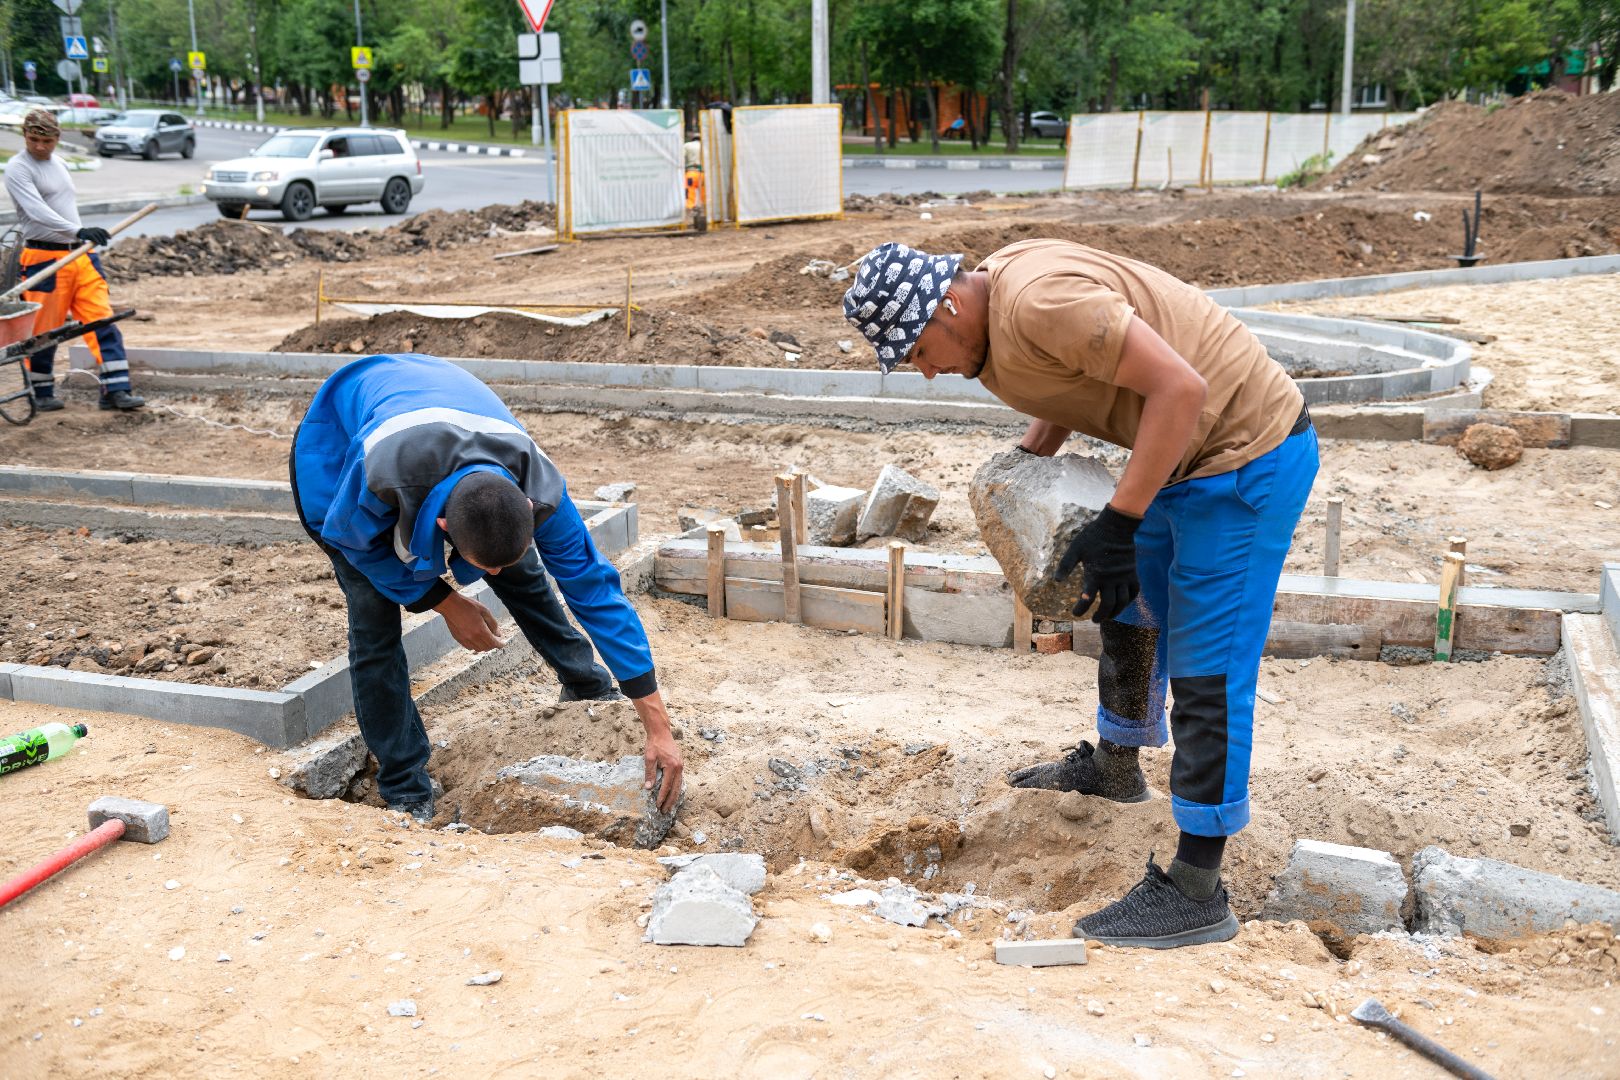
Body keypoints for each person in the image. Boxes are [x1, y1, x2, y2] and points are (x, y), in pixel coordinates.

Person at [842, 239, 1317, 948]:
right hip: (1181, 456)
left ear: (944, 305)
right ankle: (1116, 765)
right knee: (1126, 597)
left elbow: (1181, 389)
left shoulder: (1038, 300)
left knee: (1207, 666)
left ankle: (1197, 890)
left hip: (1245, 457)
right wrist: (1030, 461)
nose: (929, 373)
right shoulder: (998, 307)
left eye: (918, 353)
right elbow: (1069, 376)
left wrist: (1121, 519)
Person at [290, 352, 683, 822]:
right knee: (374, 617)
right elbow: (352, 542)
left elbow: (596, 592)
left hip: (437, 401)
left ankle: (586, 685)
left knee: (518, 569)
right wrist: (442, 600)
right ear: (442, 525)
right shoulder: (374, 481)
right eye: (480, 570)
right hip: (337, 445)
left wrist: (656, 721)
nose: (490, 581)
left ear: (531, 509)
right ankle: (403, 784)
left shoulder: (539, 484)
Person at [3, 109, 142, 412]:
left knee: (102, 319)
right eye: (33, 139)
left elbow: (63, 205)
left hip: (81, 255)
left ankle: (116, 389)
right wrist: (78, 229)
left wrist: (80, 235)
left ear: (57, 138)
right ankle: (41, 392)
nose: (40, 146)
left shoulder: (60, 163)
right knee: (44, 331)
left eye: (47, 140)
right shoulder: (17, 168)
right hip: (44, 258)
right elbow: (37, 211)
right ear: (24, 136)